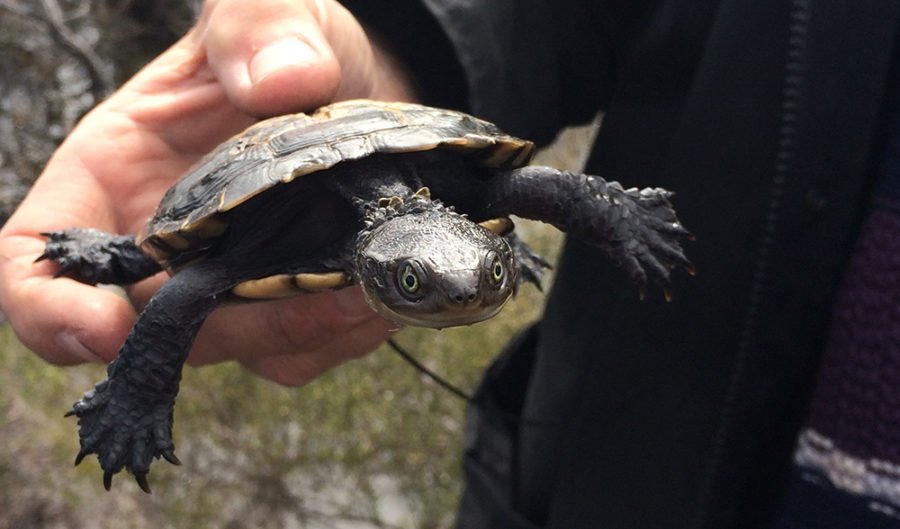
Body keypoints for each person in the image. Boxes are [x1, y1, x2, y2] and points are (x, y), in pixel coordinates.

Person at [0, 0, 897, 528]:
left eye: (489, 277)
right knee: (147, 265)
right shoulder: (297, 227)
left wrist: (611, 219)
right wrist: (402, 34)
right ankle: (102, 254)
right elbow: (191, 277)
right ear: (391, 266)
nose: (466, 294)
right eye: (427, 287)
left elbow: (534, 192)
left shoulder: (462, 201)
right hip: (622, 483)